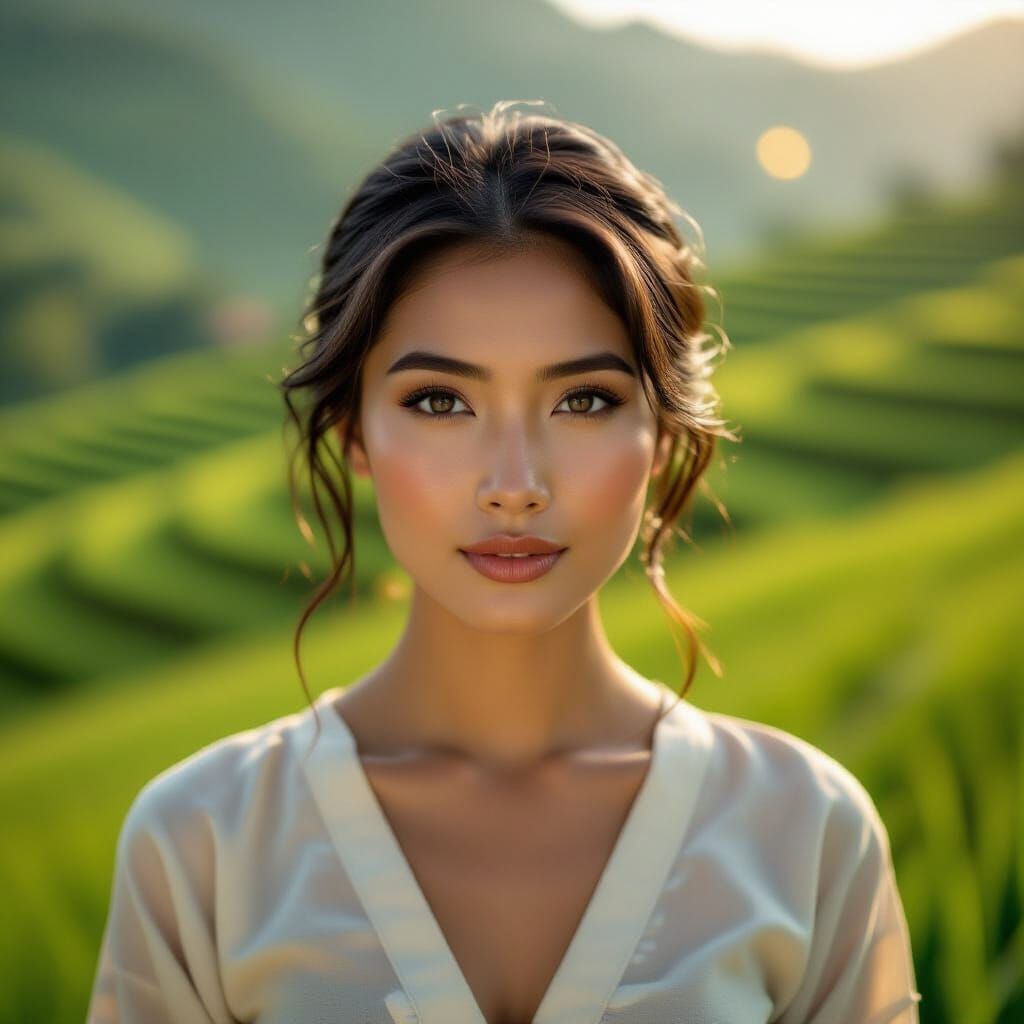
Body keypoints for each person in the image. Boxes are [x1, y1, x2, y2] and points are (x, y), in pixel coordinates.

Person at [87, 100, 922, 1024]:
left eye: (585, 400)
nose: (515, 486)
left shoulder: (805, 832)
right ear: (353, 431)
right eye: (441, 402)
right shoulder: (204, 843)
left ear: (662, 432)